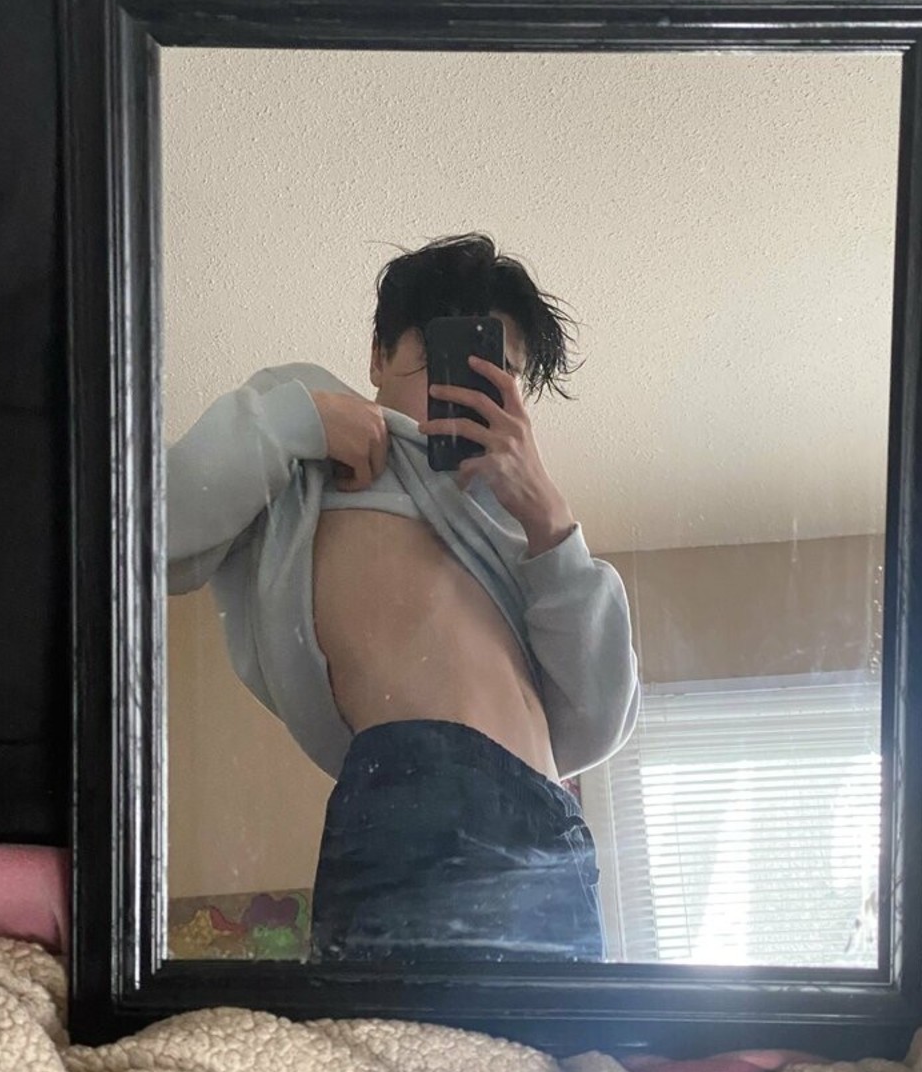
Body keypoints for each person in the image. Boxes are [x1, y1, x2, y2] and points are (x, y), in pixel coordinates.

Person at [166, 233, 640, 963]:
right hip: (419, 791)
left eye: (502, 375)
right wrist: (303, 422)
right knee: (399, 1037)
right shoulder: (306, 430)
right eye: (446, 359)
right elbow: (149, 532)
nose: (471, 393)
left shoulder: (520, 526)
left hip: (556, 830)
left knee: (556, 1044)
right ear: (378, 356)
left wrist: (550, 521)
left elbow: (599, 722)